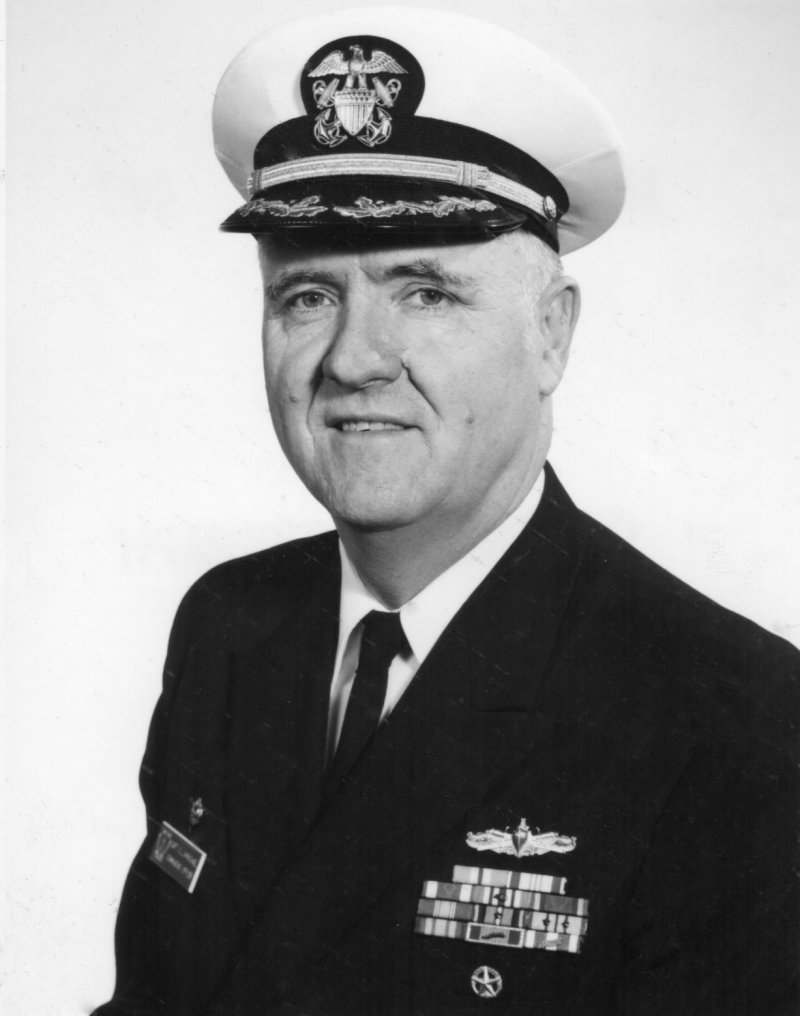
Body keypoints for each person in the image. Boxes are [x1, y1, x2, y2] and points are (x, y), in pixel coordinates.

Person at [92, 8, 799, 1015]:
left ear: (550, 334)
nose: (352, 359)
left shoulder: (734, 718)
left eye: (424, 292)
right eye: (306, 296)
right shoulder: (228, 624)